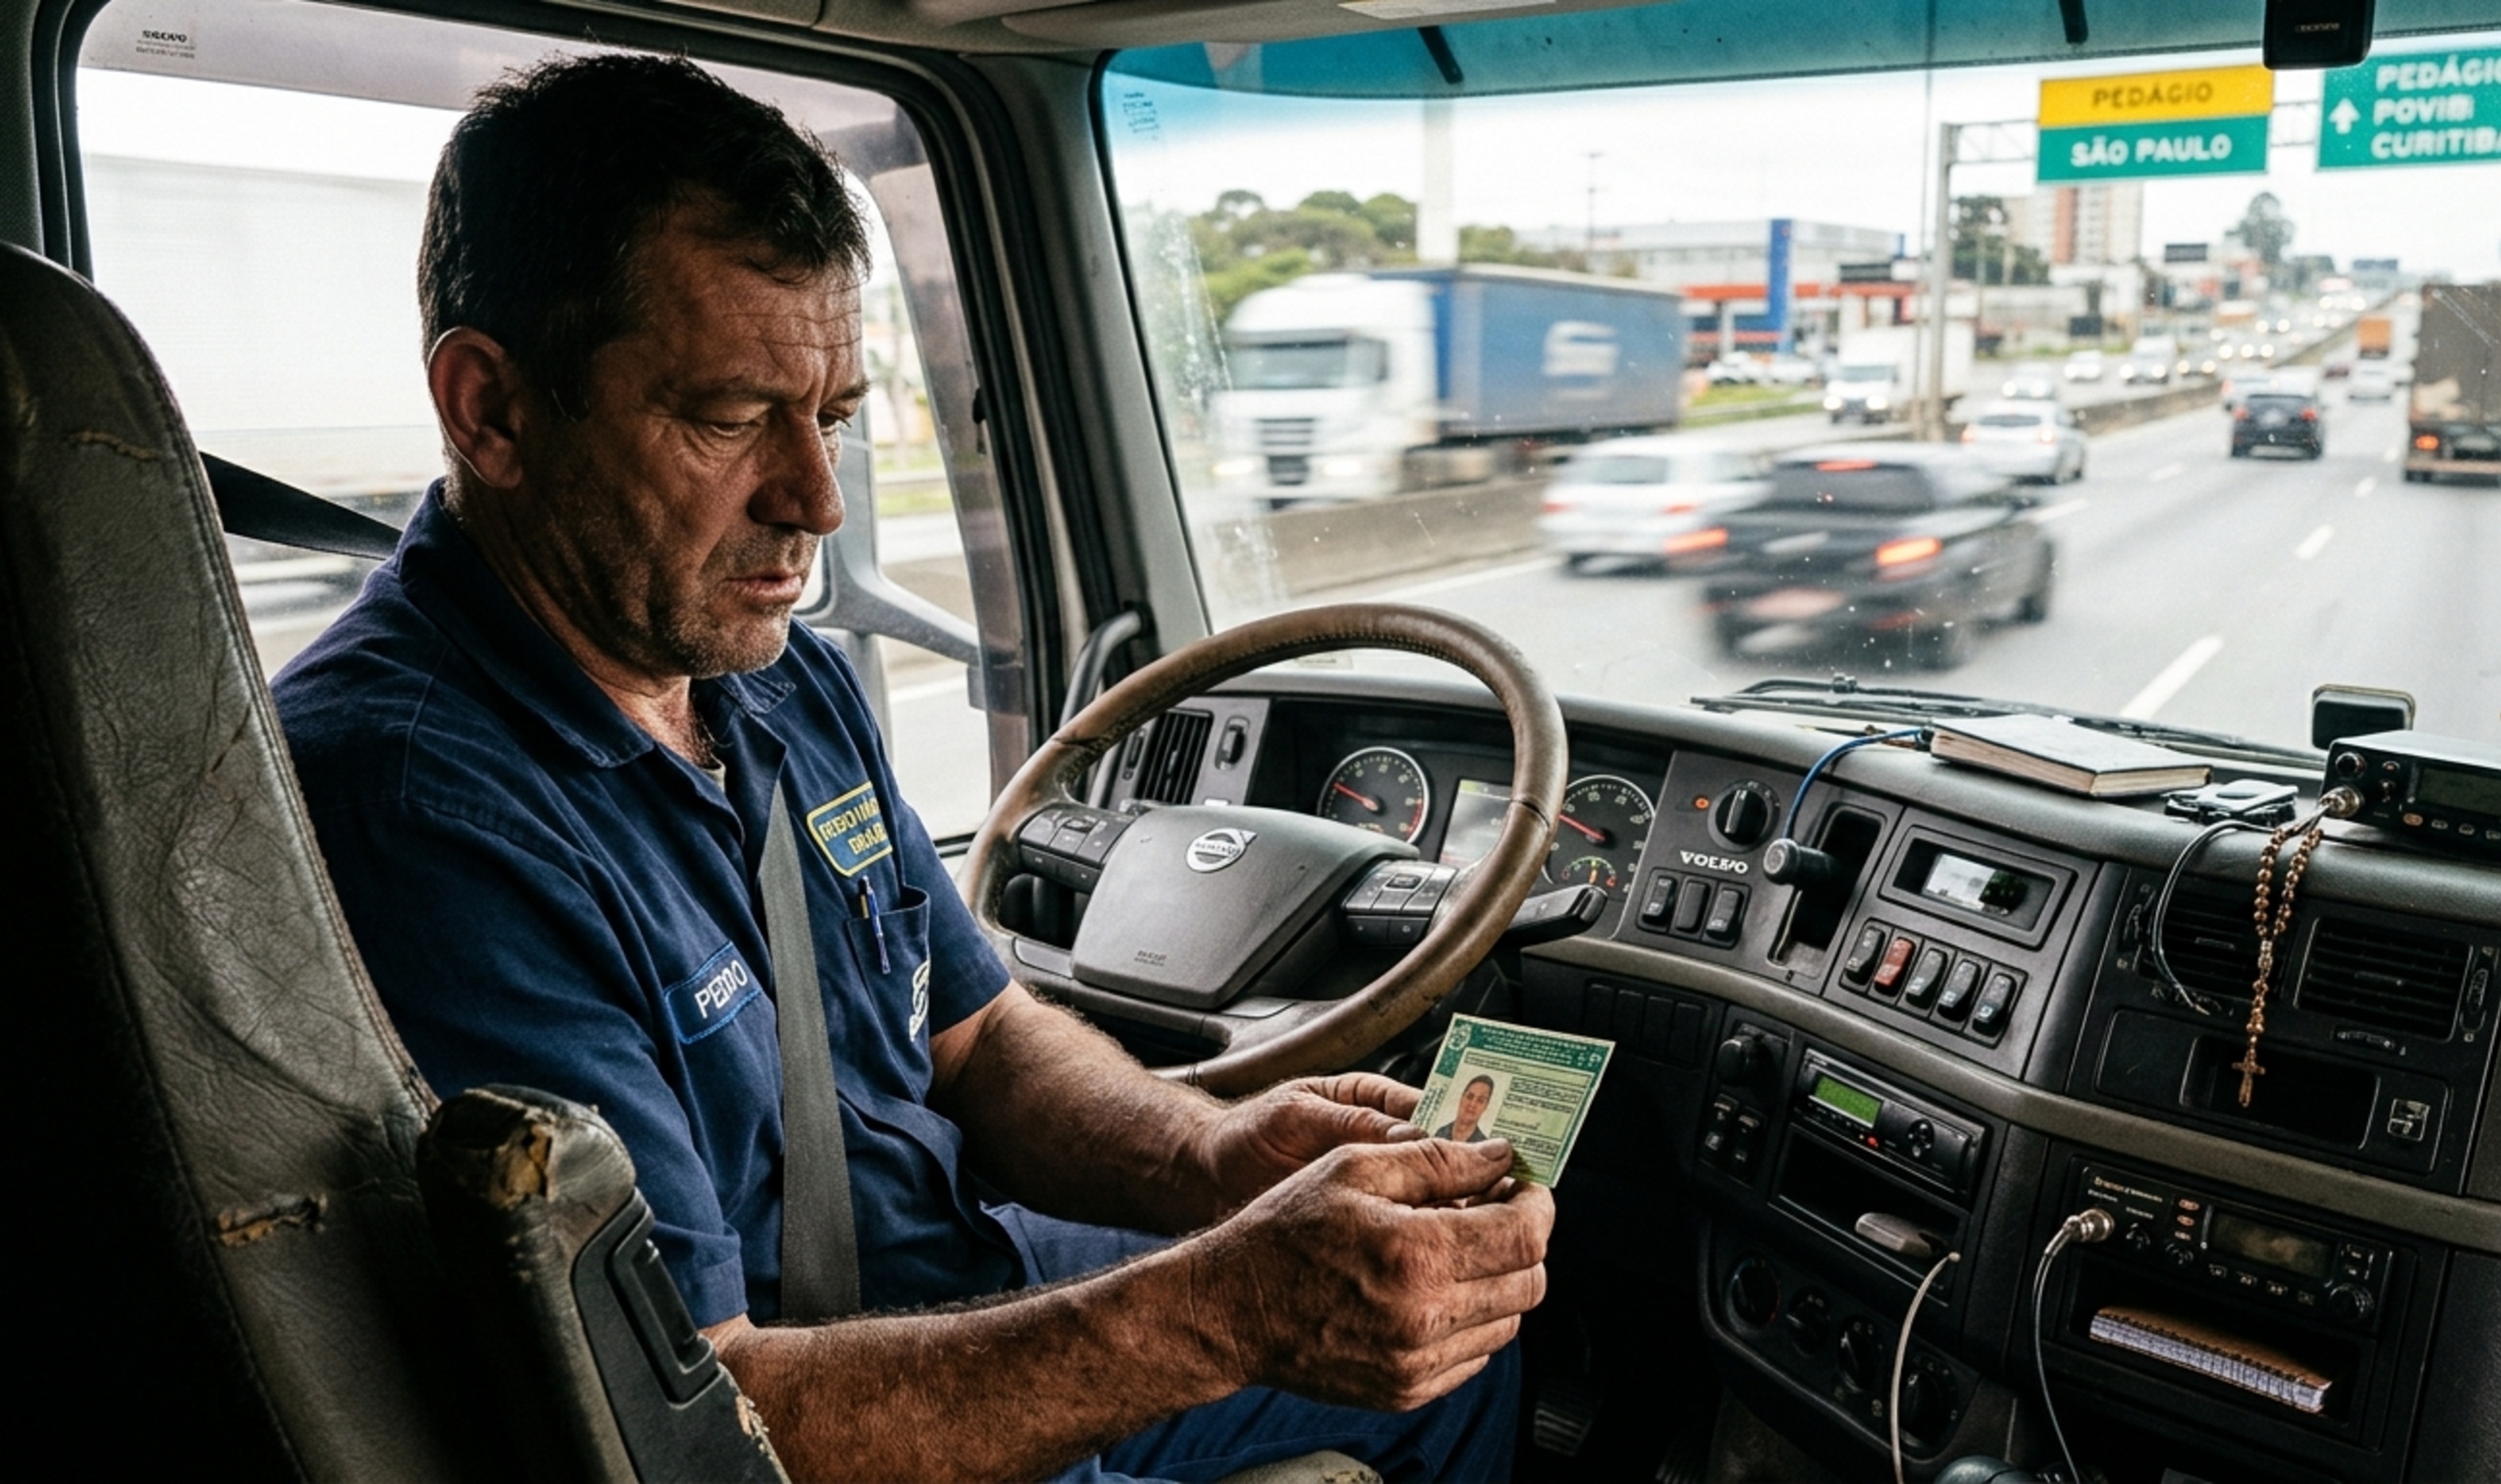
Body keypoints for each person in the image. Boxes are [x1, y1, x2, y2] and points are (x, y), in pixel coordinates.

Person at [273, 53, 1550, 1483]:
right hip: (827, 1416)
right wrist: (1219, 1306)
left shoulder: (776, 674)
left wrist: (1214, 1159)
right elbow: (690, 1419)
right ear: (493, 409)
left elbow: (980, 1038)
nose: (815, 500)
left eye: (830, 416)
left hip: (957, 1277)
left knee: (1452, 1357)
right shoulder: (419, 805)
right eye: (728, 416)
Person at [1434, 1075, 1500, 1143]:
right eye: (1470, 1097)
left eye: (1480, 1100)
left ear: (1485, 1107)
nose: (1472, 1104)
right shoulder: (1440, 1134)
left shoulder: (1483, 1146)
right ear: (1461, 1098)